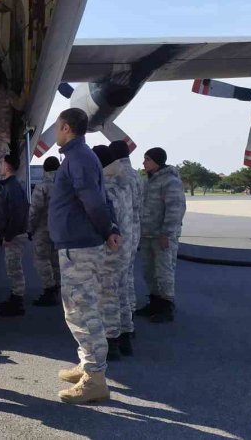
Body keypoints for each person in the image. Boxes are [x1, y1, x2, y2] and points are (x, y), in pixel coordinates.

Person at [49, 108, 121, 404]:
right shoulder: (82, 157)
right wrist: (110, 227)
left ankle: (95, 378)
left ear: (66, 128)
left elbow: (93, 200)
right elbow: (101, 198)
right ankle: (87, 364)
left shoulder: (78, 159)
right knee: (79, 307)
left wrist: (107, 229)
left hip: (79, 246)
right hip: (77, 243)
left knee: (82, 309)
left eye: (57, 127)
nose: (55, 131)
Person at [93, 145, 134, 360]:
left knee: (107, 295)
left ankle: (112, 342)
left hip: (111, 247)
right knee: (122, 291)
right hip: (126, 245)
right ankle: (126, 334)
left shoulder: (106, 186)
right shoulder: (125, 181)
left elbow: (106, 219)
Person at [137, 147, 186, 324]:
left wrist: (167, 233)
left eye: (147, 159)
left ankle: (166, 306)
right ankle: (155, 302)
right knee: (149, 271)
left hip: (162, 237)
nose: (144, 162)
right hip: (148, 235)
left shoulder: (171, 182)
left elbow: (175, 210)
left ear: (157, 161)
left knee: (164, 272)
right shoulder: (148, 182)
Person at [109, 140, 142, 349]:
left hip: (120, 233)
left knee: (117, 282)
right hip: (133, 229)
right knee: (127, 276)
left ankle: (121, 325)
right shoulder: (135, 176)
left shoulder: (116, 178)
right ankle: (129, 316)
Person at [0, 153, 31, 317]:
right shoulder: (12, 186)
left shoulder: (12, 187)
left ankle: (18, 301)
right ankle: (15, 297)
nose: (0, 166)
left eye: (2, 163)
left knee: (14, 268)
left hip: (15, 235)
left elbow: (16, 214)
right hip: (15, 234)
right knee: (12, 267)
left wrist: (8, 235)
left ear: (8, 166)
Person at [28, 157, 61, 307]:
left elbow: (34, 210)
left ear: (45, 169)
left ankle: (49, 289)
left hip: (43, 229)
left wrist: (30, 228)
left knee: (42, 259)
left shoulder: (42, 187)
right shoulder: (65, 185)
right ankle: (58, 288)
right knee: (56, 260)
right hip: (60, 231)